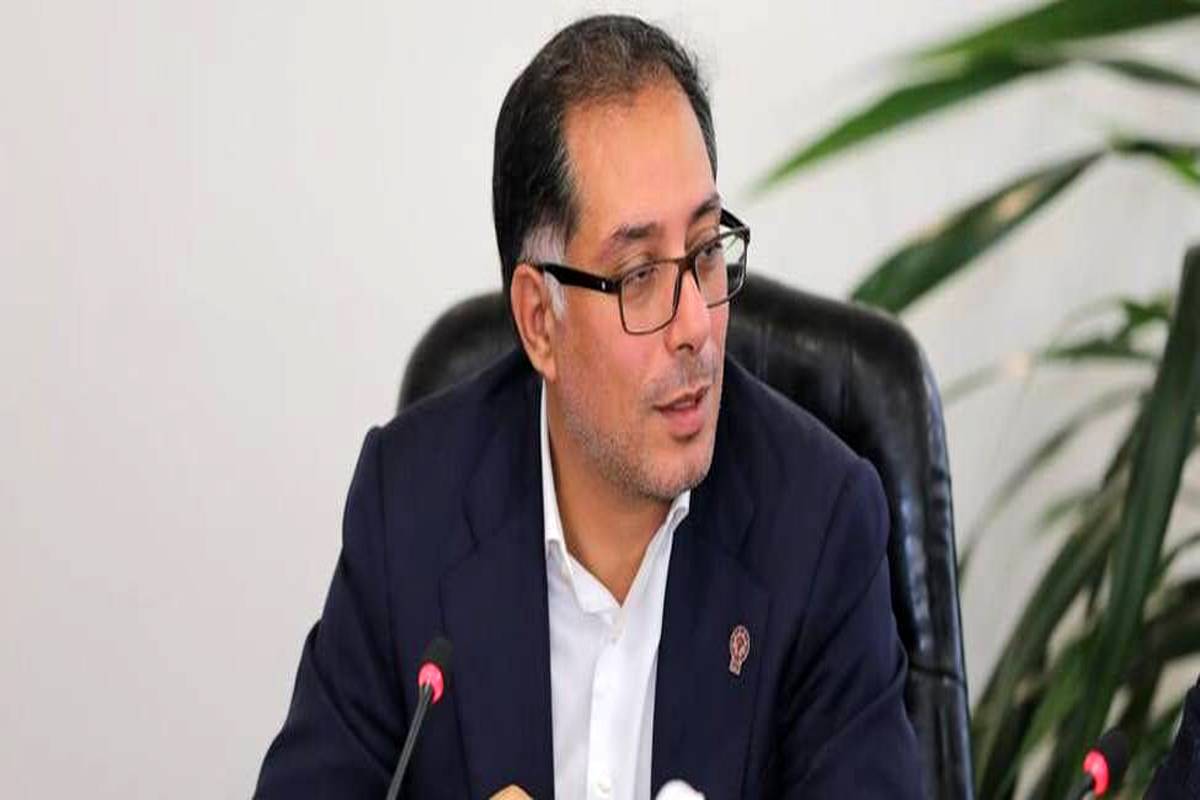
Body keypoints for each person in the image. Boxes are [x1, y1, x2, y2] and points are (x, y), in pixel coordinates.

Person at [256, 14, 922, 798]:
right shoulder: (408, 507)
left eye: (706, 251)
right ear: (541, 320)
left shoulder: (819, 524)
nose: (696, 325)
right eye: (638, 276)